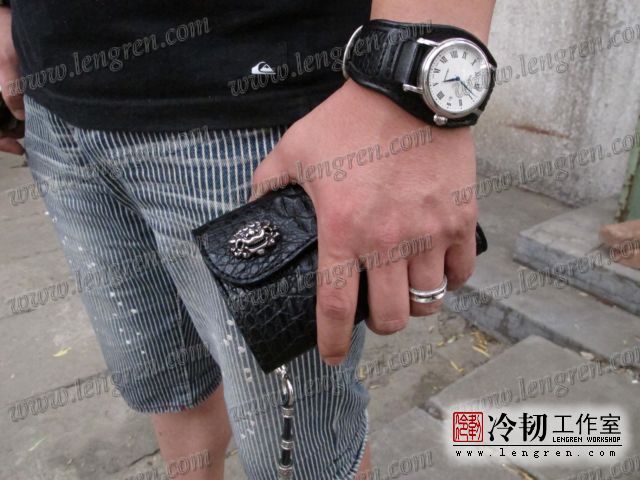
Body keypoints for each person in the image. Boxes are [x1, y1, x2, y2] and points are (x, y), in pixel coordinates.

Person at [0, 1, 495, 478]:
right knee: (165, 384)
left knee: (303, 457)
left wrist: (412, 92)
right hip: (50, 96)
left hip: (255, 108)